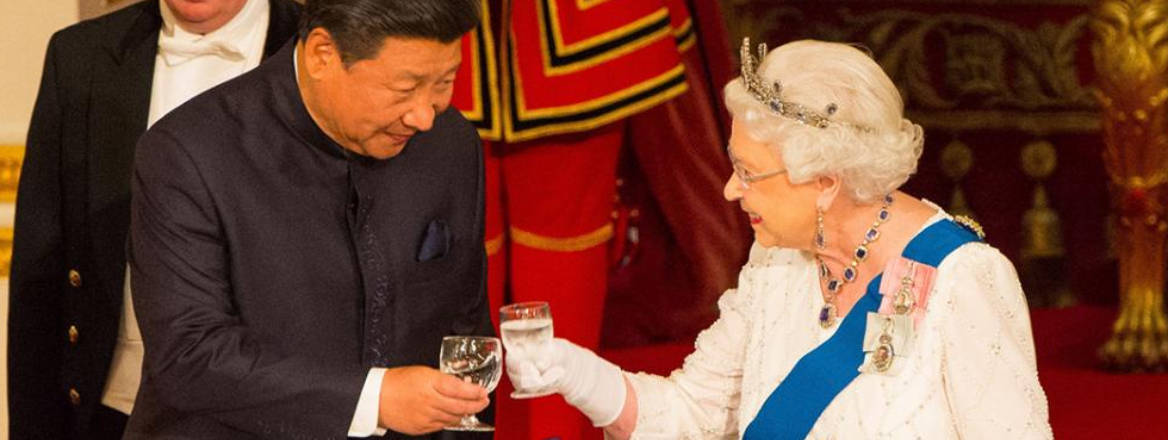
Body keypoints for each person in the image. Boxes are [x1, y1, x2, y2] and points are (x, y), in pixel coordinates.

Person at [506, 38, 1054, 439]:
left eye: (748, 172)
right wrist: (571, 369)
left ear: (823, 182)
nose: (728, 190)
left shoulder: (964, 278)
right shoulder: (775, 261)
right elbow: (690, 414)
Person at [124, 0, 494, 438]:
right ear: (323, 54)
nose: (424, 116)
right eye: (404, 88)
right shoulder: (189, 153)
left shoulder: (451, 145)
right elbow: (190, 353)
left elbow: (464, 327)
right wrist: (374, 398)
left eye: (444, 83)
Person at [9, 0, 300, 438]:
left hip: (274, 415)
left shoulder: (320, 46)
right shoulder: (80, 53)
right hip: (111, 413)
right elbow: (41, 267)